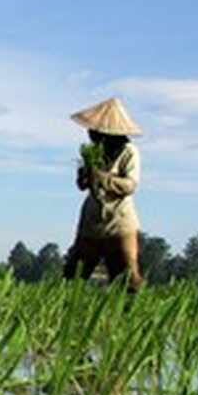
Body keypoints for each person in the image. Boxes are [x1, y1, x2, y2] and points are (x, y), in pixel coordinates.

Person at [63, 98, 144, 291]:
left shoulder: (129, 152)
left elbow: (130, 185)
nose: (91, 135)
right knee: (73, 275)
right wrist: (85, 176)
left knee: (127, 278)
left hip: (119, 221)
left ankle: (129, 313)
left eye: (96, 132)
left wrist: (103, 177)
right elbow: (82, 186)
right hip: (92, 221)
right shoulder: (95, 153)